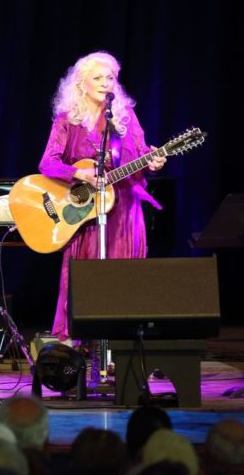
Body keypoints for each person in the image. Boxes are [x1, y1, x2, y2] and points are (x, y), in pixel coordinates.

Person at [39, 51, 166, 341]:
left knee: (123, 275)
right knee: (88, 276)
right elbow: (48, 163)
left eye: (110, 78)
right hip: (86, 213)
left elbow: (141, 153)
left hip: (124, 210)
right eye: (97, 77)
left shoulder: (125, 117)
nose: (105, 83)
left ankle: (123, 342)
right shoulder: (66, 120)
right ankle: (83, 342)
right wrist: (79, 174)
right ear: (81, 84)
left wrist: (153, 161)